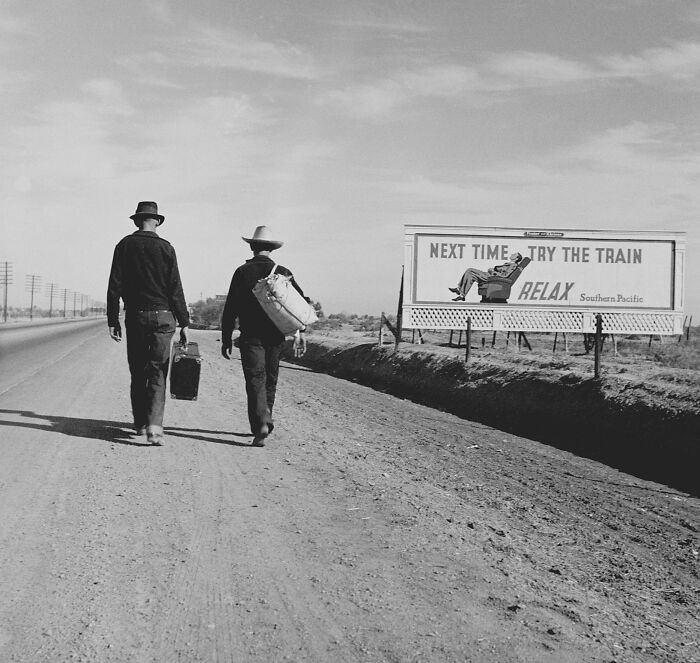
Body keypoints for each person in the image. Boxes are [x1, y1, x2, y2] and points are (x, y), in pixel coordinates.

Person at [107, 201, 189, 446]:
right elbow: (175, 287)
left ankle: (140, 422)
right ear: (157, 221)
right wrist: (184, 321)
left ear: (136, 221)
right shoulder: (167, 248)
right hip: (164, 317)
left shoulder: (124, 245)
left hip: (136, 316)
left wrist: (113, 319)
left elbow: (114, 286)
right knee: (157, 371)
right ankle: (155, 427)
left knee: (137, 370)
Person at [220, 226, 308, 447]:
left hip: (250, 336)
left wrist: (226, 337)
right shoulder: (283, 271)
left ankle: (261, 422)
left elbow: (230, 307)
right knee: (270, 378)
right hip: (276, 335)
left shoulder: (242, 272)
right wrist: (301, 332)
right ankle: (265, 418)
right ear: (271, 248)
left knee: (255, 379)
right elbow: (298, 304)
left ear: (251, 246)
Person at [449, 252, 523, 301]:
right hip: (489, 276)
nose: (512, 254)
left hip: (490, 277)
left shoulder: (513, 265)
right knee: (470, 275)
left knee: (470, 270)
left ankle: (460, 290)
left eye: (514, 254)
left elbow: (505, 275)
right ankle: (462, 294)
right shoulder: (509, 264)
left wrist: (492, 271)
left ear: (516, 258)